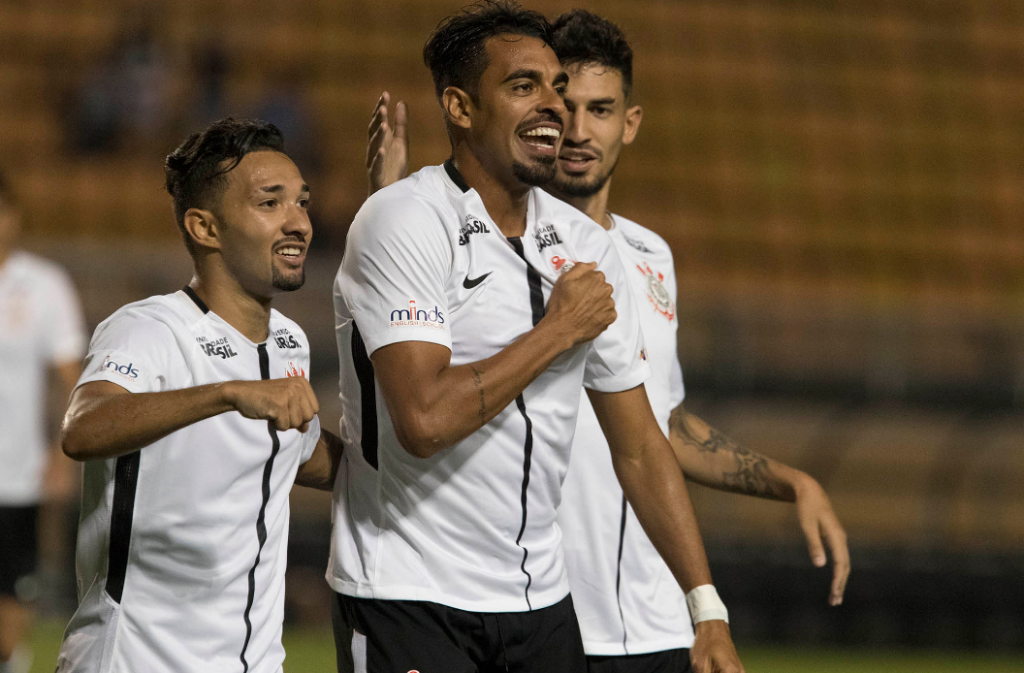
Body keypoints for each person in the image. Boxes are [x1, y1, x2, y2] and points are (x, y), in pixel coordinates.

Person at [365, 8, 851, 673]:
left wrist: (777, 493)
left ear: (631, 122)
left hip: (638, 620)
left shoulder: (640, 257)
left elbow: (659, 427)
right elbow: (415, 400)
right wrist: (389, 203)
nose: (573, 124)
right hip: (508, 597)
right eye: (554, 97)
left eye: (598, 108)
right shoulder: (431, 225)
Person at [55, 118, 344, 673]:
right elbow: (83, 427)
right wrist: (228, 393)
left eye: (301, 203)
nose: (299, 223)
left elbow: (303, 455)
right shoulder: (149, 328)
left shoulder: (290, 342)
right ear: (204, 227)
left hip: (253, 661)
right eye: (270, 203)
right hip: (137, 659)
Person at [0, 172, 86, 673]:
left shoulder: (45, 285)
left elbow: (71, 380)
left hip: (17, 476)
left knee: (12, 600)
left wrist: (59, 453)